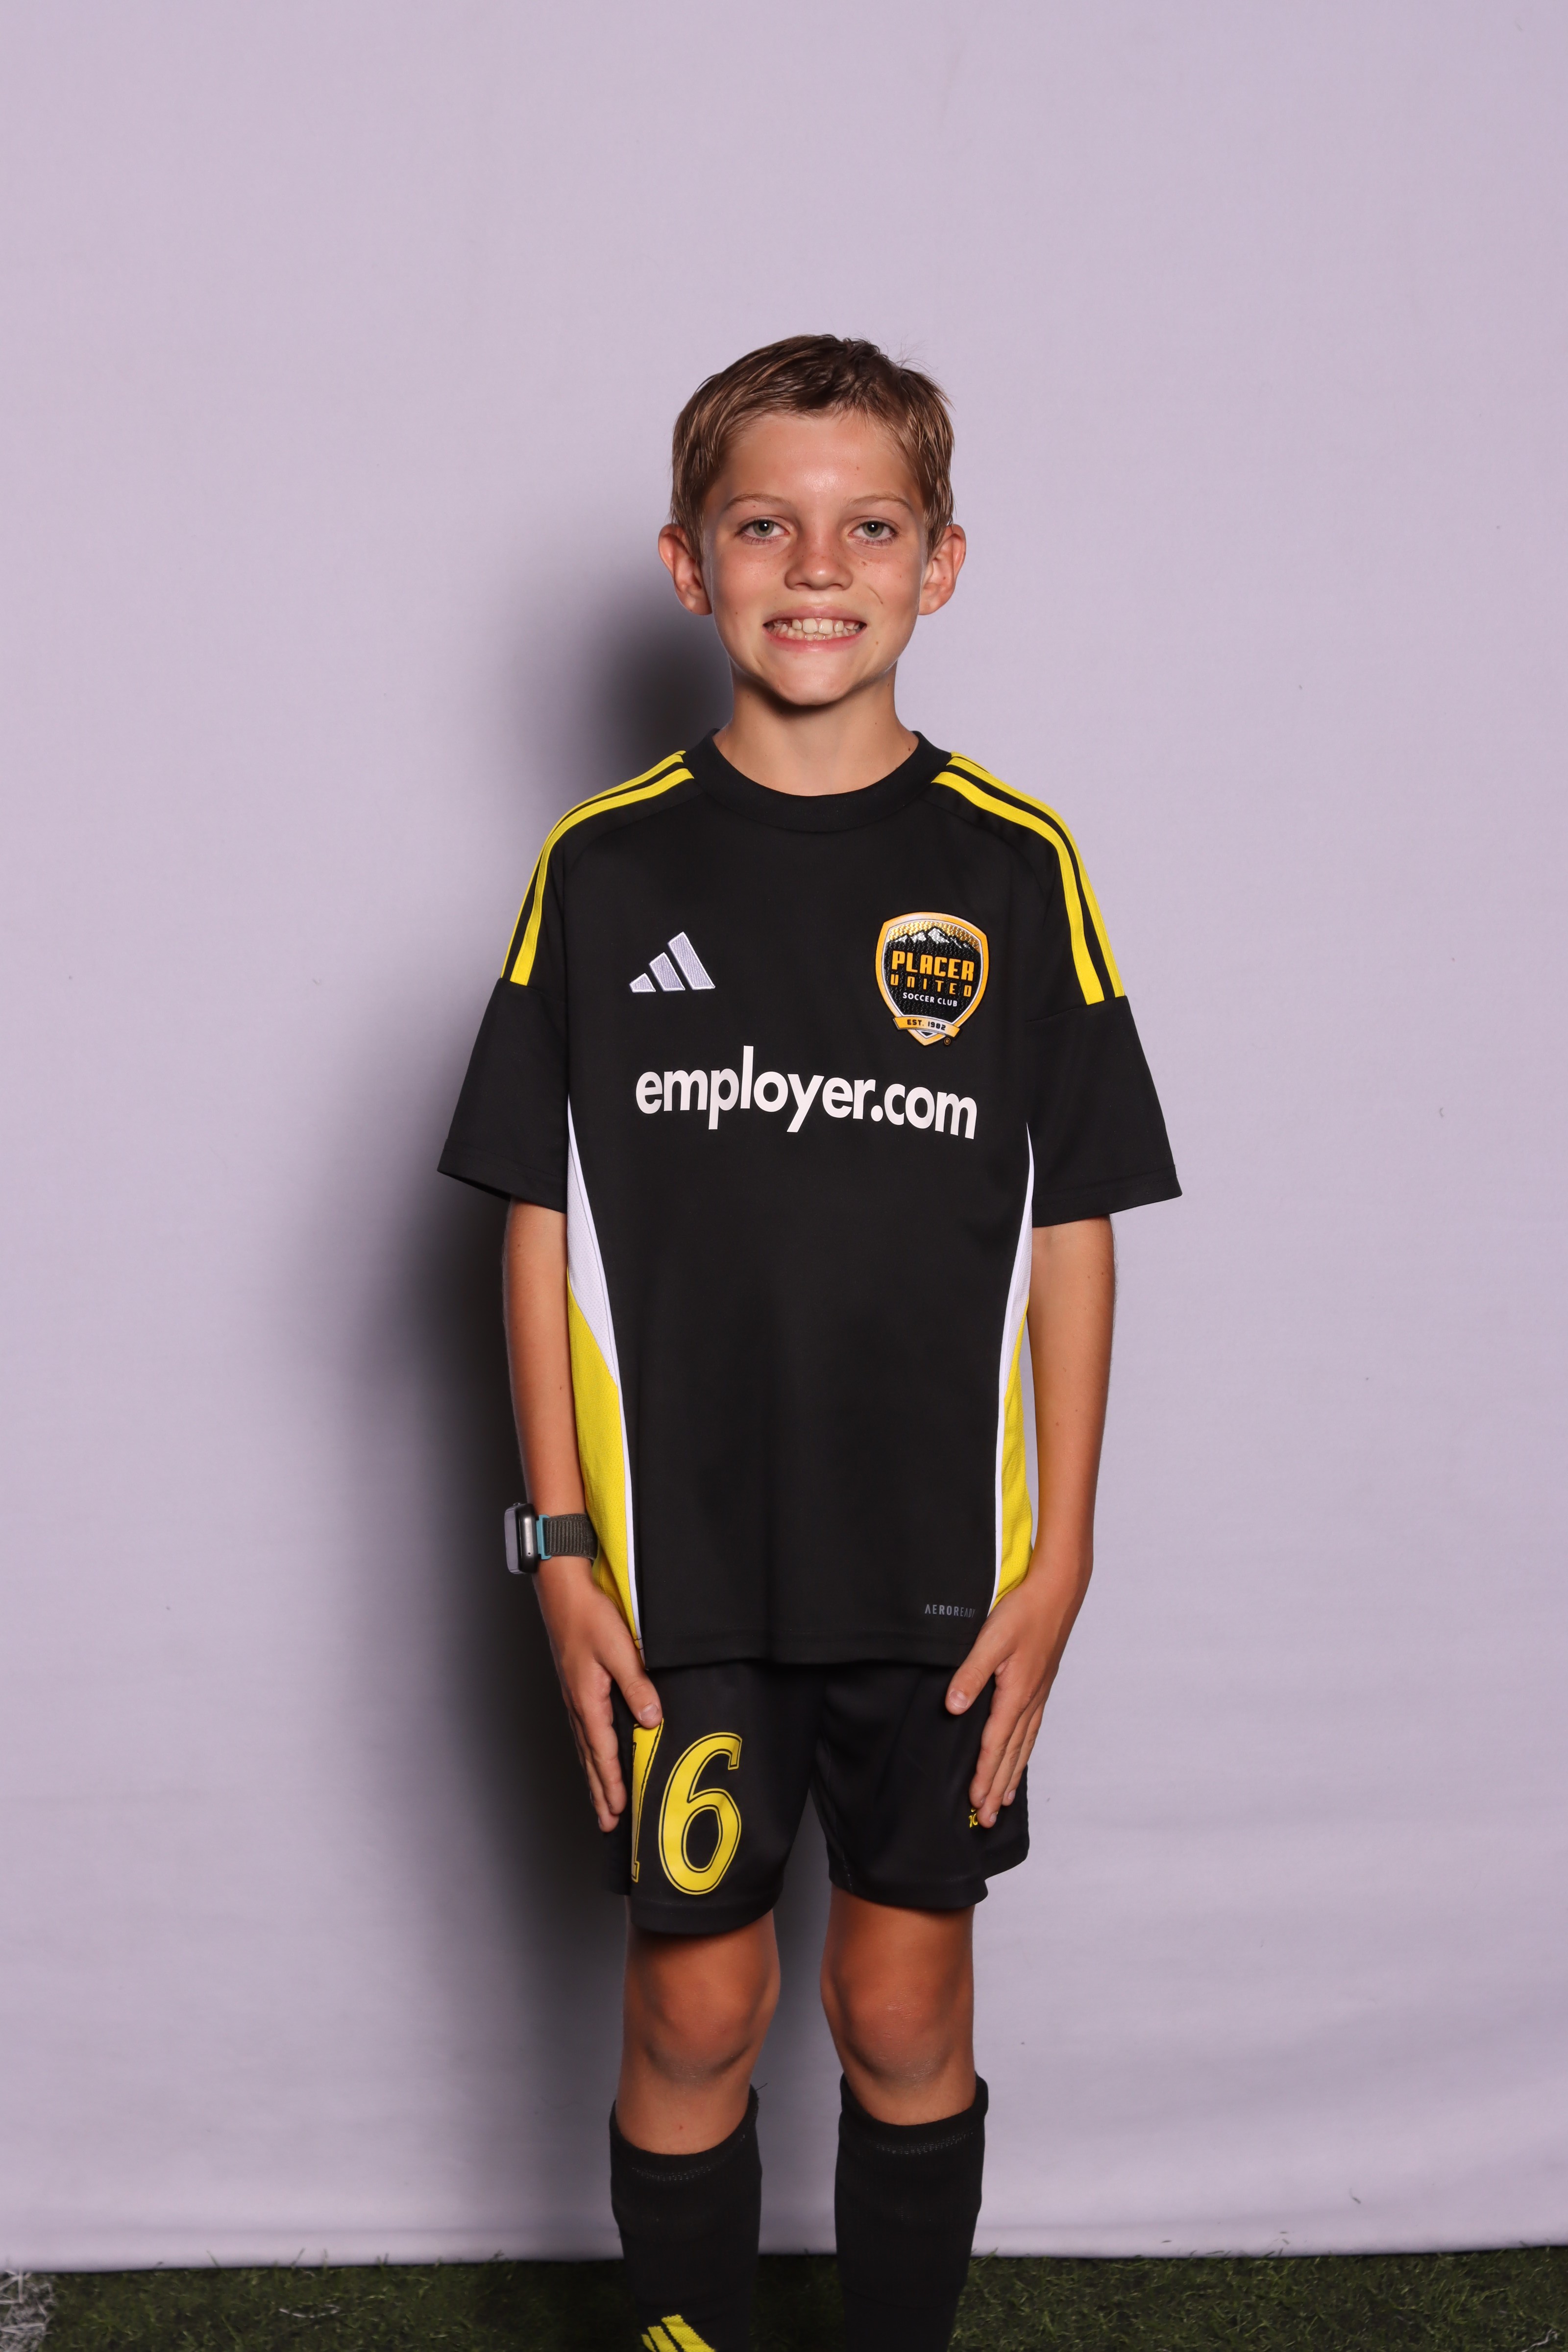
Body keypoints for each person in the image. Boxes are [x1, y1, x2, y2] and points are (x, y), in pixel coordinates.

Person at [439, 334, 1179, 2352]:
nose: (817, 567)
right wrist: (559, 1548)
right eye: (765, 526)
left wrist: (1063, 1553)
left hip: (939, 1574)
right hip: (676, 1573)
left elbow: (1075, 1229)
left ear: (942, 563)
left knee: (899, 2004)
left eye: (870, 526)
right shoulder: (600, 869)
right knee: (698, 2004)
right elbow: (534, 1228)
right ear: (688, 564)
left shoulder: (1017, 869)